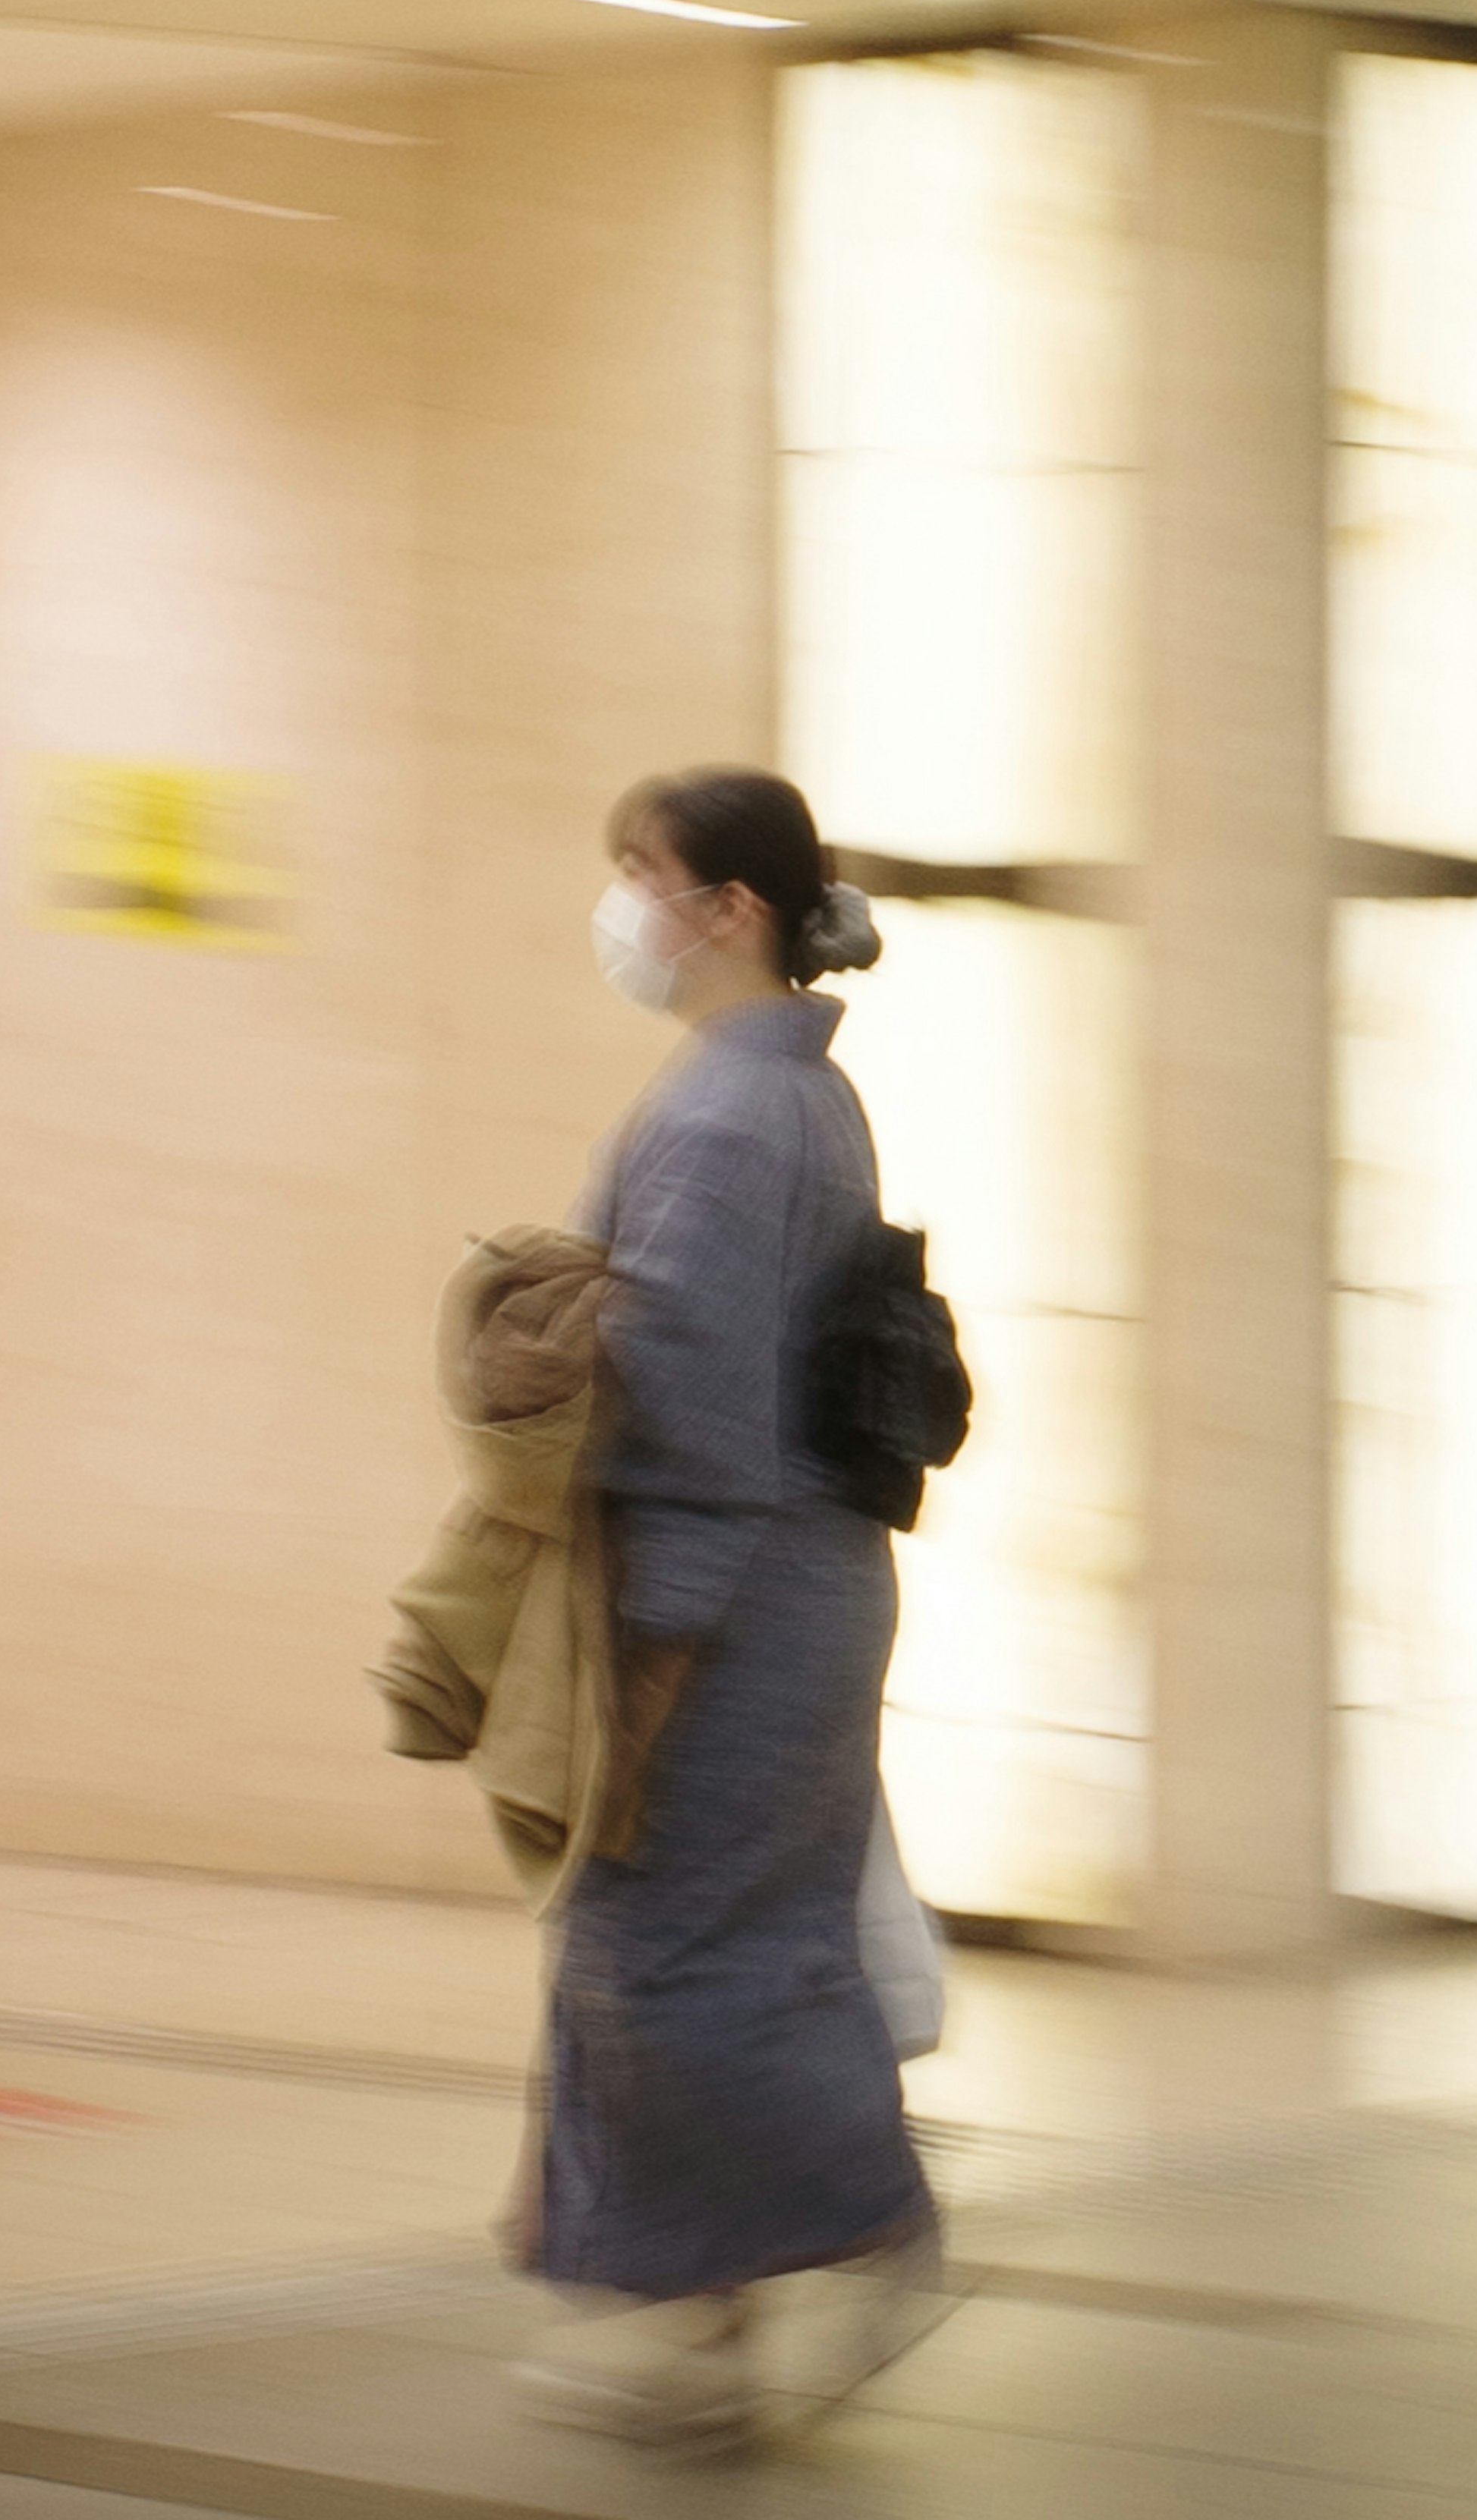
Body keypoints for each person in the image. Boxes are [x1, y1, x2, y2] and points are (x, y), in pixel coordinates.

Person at [521, 764, 938, 2446]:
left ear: (729, 911)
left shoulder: (721, 1111)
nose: (622, 901)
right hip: (813, 1578)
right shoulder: (793, 1095)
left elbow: (694, 1393)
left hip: (738, 1593)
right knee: (754, 1940)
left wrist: (658, 1632)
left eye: (644, 869)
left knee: (671, 1948)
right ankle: (714, 2316)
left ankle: (846, 2233)